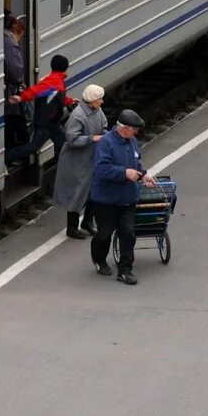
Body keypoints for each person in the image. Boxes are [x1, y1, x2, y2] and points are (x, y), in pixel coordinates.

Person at [88, 109, 156, 285]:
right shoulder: (105, 143)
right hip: (106, 200)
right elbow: (101, 169)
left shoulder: (131, 141)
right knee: (104, 233)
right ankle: (99, 259)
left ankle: (125, 270)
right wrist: (124, 173)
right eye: (134, 129)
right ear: (125, 128)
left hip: (127, 198)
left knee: (128, 234)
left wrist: (143, 174)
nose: (136, 133)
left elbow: (137, 161)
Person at [54, 84, 106, 239]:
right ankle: (72, 227)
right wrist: (92, 138)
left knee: (93, 190)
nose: (102, 102)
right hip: (76, 160)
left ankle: (87, 222)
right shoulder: (78, 115)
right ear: (92, 100)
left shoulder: (97, 110)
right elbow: (72, 139)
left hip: (90, 156)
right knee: (77, 192)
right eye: (99, 99)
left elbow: (103, 125)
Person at [5, 53, 71, 165]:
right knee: (33, 147)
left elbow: (57, 97)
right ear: (64, 68)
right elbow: (35, 91)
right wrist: (21, 97)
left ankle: (74, 162)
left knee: (65, 143)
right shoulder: (52, 81)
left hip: (52, 122)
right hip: (46, 123)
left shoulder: (57, 80)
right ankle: (7, 158)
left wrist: (71, 100)